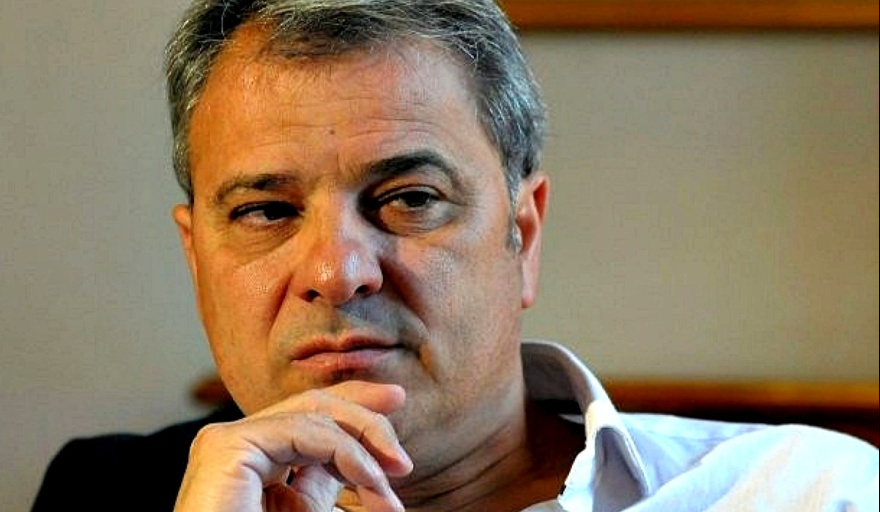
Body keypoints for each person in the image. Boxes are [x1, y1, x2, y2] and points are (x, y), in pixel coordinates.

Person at [31, 1, 878, 511]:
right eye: (266, 211)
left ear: (523, 236)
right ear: (196, 259)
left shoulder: (811, 492)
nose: (336, 272)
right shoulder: (110, 493)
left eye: (409, 199)